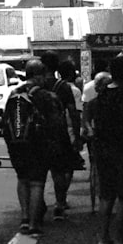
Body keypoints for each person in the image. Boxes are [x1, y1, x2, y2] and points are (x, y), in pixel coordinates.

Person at [2, 58, 64, 237]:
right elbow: (56, 124)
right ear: (40, 75)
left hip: (17, 144)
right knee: (37, 183)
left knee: (22, 179)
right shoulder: (46, 96)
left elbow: (5, 121)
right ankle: (34, 223)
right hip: (39, 145)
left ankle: (24, 217)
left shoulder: (14, 93)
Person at [89, 53, 123, 244]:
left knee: (106, 196)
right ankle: (119, 241)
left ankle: (103, 238)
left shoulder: (100, 97)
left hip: (103, 151)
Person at [41, 52, 81, 220]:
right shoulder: (63, 86)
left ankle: (36, 206)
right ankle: (60, 203)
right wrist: (77, 136)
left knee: (39, 174)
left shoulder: (36, 85)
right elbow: (73, 112)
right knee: (59, 171)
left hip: (39, 134)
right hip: (59, 133)